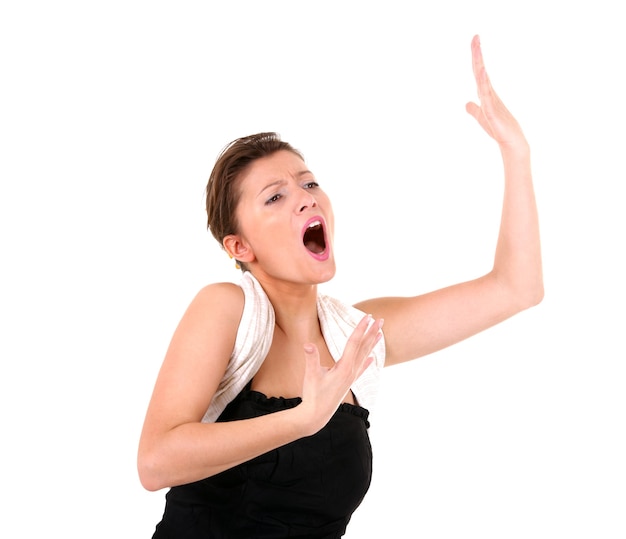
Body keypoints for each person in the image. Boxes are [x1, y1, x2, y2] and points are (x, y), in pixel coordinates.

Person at [138, 35, 543, 538]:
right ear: (240, 247)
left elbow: (516, 289)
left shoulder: (356, 334)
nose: (305, 200)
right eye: (275, 197)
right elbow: (155, 463)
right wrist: (299, 421)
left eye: (309, 184)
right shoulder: (226, 309)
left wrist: (516, 153)